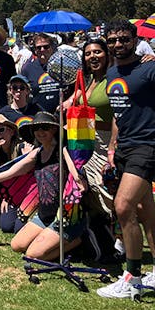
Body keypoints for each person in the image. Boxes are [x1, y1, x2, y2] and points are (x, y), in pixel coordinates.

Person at [98, 19, 155, 299]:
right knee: (146, 210)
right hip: (124, 146)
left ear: (135, 40)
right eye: (112, 40)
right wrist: (112, 147)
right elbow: (119, 113)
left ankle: (132, 278)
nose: (117, 45)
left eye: (124, 39)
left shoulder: (152, 69)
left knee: (123, 207)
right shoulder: (112, 72)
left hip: (148, 145)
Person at [0, 112, 87, 259]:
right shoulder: (37, 153)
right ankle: (50, 237)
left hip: (64, 215)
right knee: (17, 245)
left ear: (54, 129)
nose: (40, 132)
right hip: (44, 214)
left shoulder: (62, 150)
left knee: (32, 254)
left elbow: (74, 169)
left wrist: (79, 179)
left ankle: (78, 240)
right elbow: (11, 171)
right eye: (36, 129)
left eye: (44, 128)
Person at [62, 38, 116, 221]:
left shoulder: (114, 78)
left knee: (105, 186)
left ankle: (121, 234)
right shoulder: (90, 79)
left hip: (106, 139)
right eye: (88, 53)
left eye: (97, 52)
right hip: (85, 138)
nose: (92, 56)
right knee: (87, 186)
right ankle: (103, 233)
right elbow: (84, 97)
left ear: (107, 54)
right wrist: (70, 100)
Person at [20, 33, 63, 112]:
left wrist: (68, 101)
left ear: (52, 48)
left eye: (46, 47)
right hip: (38, 115)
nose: (42, 50)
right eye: (39, 48)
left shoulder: (61, 66)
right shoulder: (27, 69)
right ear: (35, 50)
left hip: (60, 115)